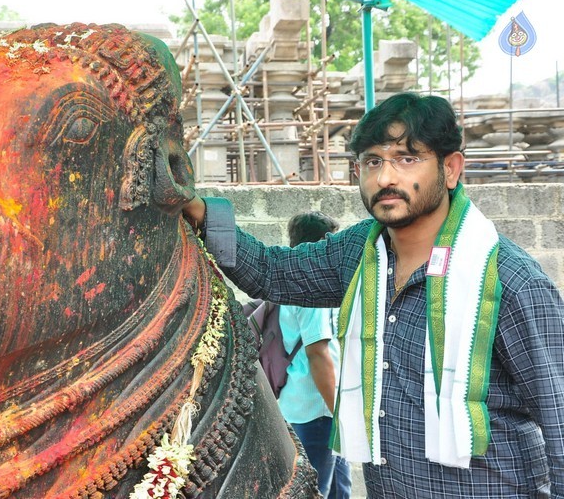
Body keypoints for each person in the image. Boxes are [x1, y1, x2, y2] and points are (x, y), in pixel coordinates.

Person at [184, 92, 564, 498]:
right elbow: (270, 272)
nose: (385, 178)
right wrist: (199, 210)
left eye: (407, 158)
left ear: (451, 169)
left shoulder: (510, 280)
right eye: (372, 161)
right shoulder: (356, 255)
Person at [279, 212, 352, 499]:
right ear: (320, 245)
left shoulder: (291, 281)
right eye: (332, 243)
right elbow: (318, 354)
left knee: (338, 490)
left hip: (303, 407)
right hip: (319, 412)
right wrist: (340, 413)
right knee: (316, 492)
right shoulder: (314, 292)